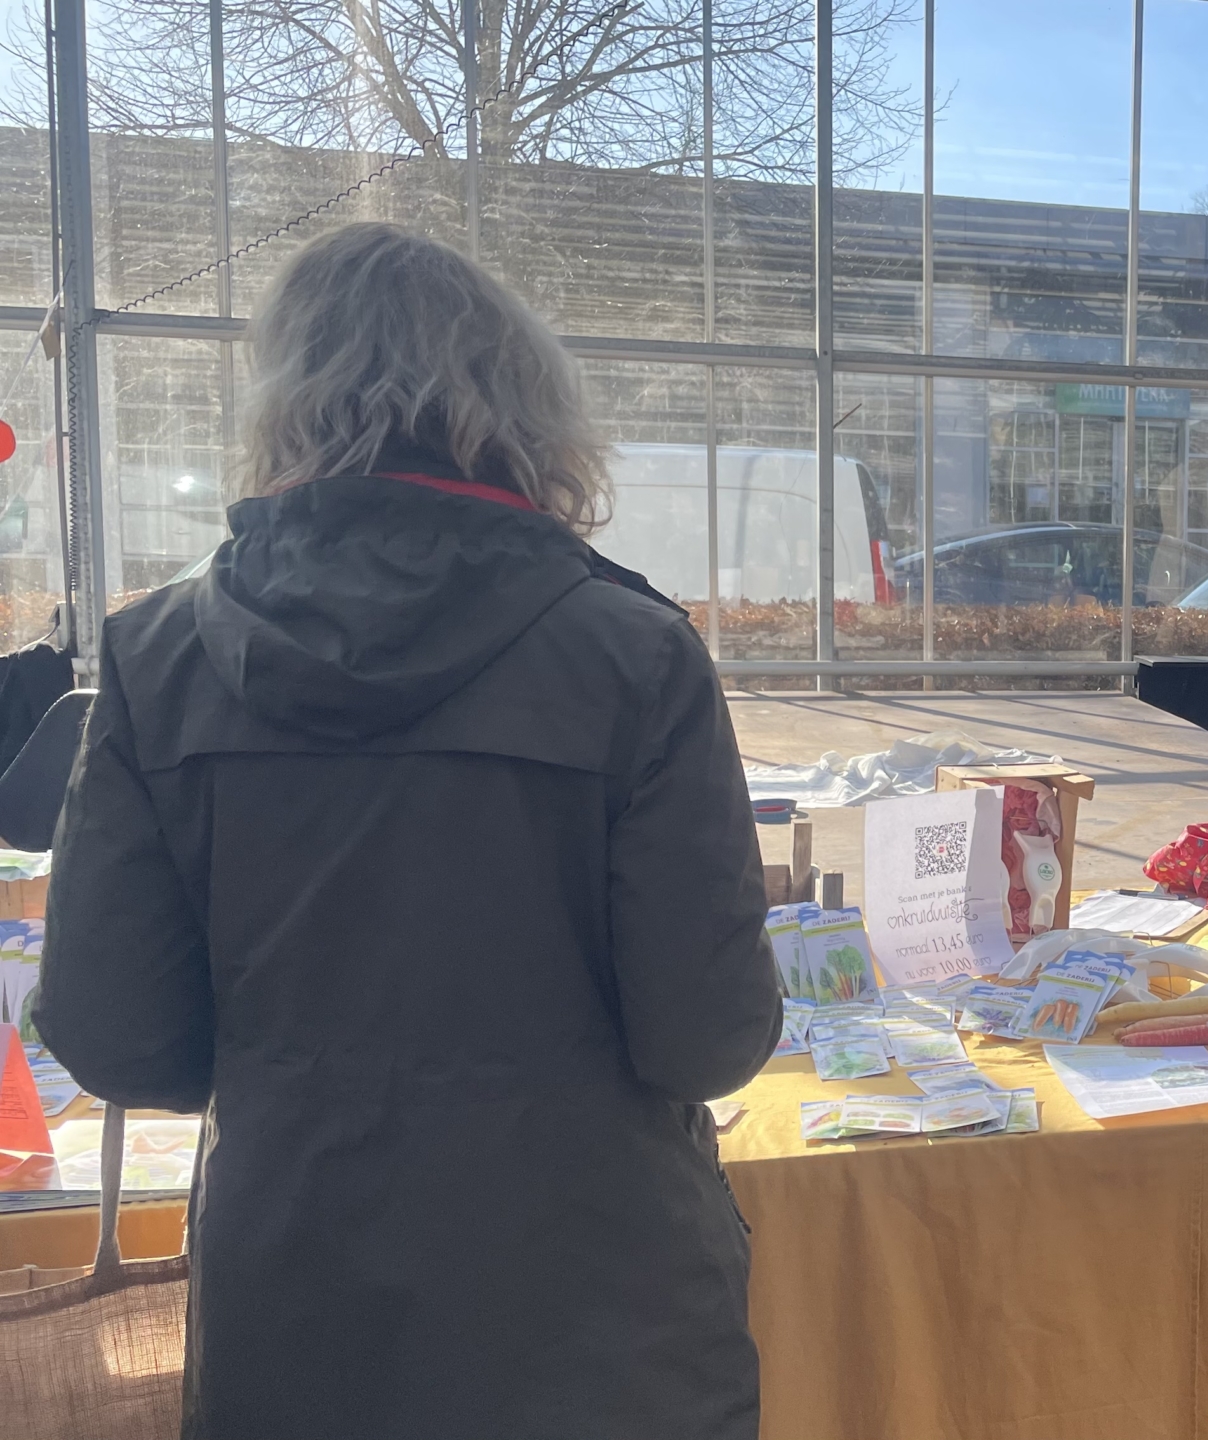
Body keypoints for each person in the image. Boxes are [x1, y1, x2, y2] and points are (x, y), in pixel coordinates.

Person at [34, 222, 783, 1440]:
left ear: (282, 401)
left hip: (300, 1299)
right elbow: (708, 1039)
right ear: (524, 407)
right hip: (601, 1311)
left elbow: (117, 1040)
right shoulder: (634, 653)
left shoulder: (158, 654)